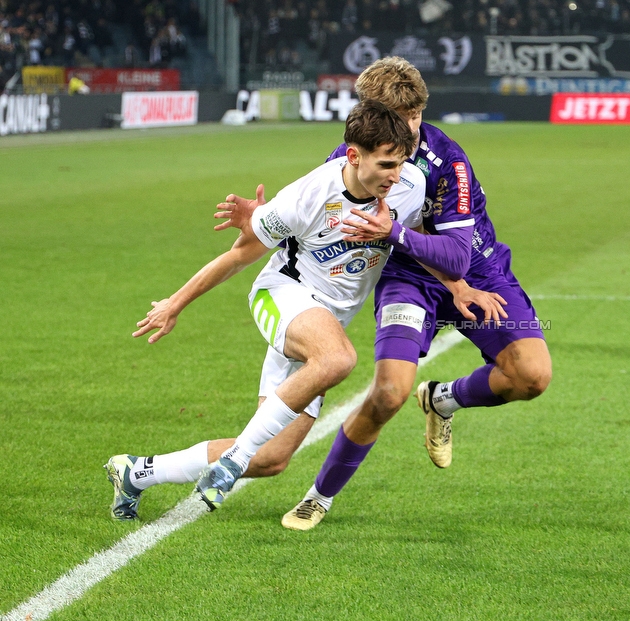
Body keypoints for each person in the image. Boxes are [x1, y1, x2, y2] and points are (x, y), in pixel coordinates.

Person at [103, 100, 487, 519]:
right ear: (354, 156)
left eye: (399, 163)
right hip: (282, 296)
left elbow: (419, 239)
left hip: (324, 323)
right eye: (384, 165)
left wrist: (459, 285)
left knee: (272, 459)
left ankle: (136, 473)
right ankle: (232, 461)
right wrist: (174, 304)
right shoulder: (306, 196)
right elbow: (237, 256)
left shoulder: (408, 185)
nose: (394, 176)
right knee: (339, 358)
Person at [279, 56, 553, 531]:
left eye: (416, 117)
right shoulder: (346, 163)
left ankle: (444, 399)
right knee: (388, 394)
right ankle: (318, 497)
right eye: (398, 119)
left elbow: (456, 258)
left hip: (477, 269)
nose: (411, 130)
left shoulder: (449, 162)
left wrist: (394, 234)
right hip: (408, 278)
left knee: (531, 376)